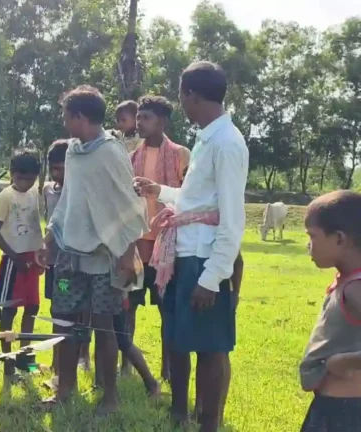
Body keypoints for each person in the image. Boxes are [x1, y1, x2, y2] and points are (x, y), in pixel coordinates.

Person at [133, 61, 248, 432]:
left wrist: (212, 277)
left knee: (211, 348)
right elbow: (198, 200)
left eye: (182, 95)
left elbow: (232, 217)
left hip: (204, 258)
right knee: (182, 338)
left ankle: (209, 424)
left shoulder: (227, 143)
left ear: (191, 95)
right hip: (185, 253)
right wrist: (161, 191)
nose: (181, 102)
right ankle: (182, 413)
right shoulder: (207, 139)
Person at [43, 85, 147, 416]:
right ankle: (65, 389)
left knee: (104, 326)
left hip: (106, 256)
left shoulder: (112, 152)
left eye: (66, 116)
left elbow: (130, 205)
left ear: (80, 117)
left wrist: (127, 254)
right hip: (70, 252)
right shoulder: (73, 151)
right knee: (65, 321)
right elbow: (68, 200)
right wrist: (50, 238)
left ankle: (110, 398)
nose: (64, 122)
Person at [124, 96, 190, 379]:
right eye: (138, 117)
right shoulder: (131, 158)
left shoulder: (180, 155)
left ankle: (167, 370)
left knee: (168, 311)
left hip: (167, 245)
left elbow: (189, 197)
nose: (139, 123)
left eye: (146, 118)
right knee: (128, 308)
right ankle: (125, 368)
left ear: (162, 121)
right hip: (136, 245)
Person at [300, 190, 361, 432]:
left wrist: (342, 362)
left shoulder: (355, 289)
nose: (308, 245)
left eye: (312, 236)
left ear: (339, 239)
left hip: (344, 412)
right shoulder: (347, 282)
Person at [0, 149, 44, 384]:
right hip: (14, 261)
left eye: (30, 179)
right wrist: (14, 257)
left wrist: (40, 253)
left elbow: (35, 225)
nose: (25, 183)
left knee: (32, 308)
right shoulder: (6, 197)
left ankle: (25, 359)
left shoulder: (34, 193)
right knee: (9, 311)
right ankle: (8, 364)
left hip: (32, 258)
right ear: (12, 174)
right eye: (21, 178)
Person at [43, 139, 92, 390]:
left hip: (76, 265)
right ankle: (57, 363)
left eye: (61, 168)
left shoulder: (80, 192)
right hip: (55, 264)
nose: (57, 174)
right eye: (53, 168)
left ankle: (84, 357)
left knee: (81, 314)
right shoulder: (47, 191)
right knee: (58, 312)